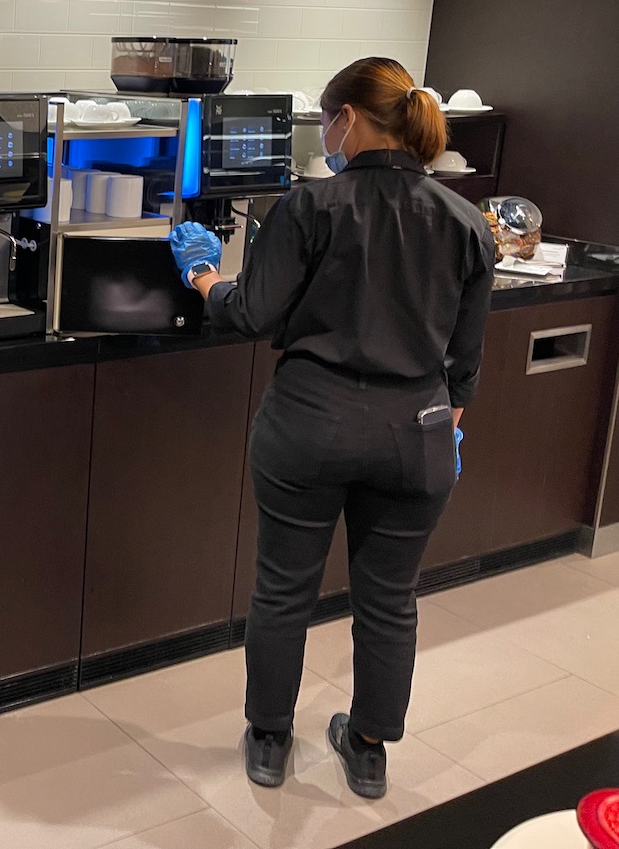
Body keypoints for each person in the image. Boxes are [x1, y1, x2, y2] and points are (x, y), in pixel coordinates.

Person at [168, 57, 496, 799]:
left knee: (284, 587)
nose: (326, 133)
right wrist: (445, 424)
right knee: (390, 597)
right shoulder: (468, 222)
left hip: (309, 424)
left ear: (348, 118)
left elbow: (251, 311)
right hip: (417, 431)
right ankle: (370, 747)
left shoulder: (311, 206)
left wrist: (201, 274)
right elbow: (466, 365)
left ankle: (269, 739)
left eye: (326, 119)